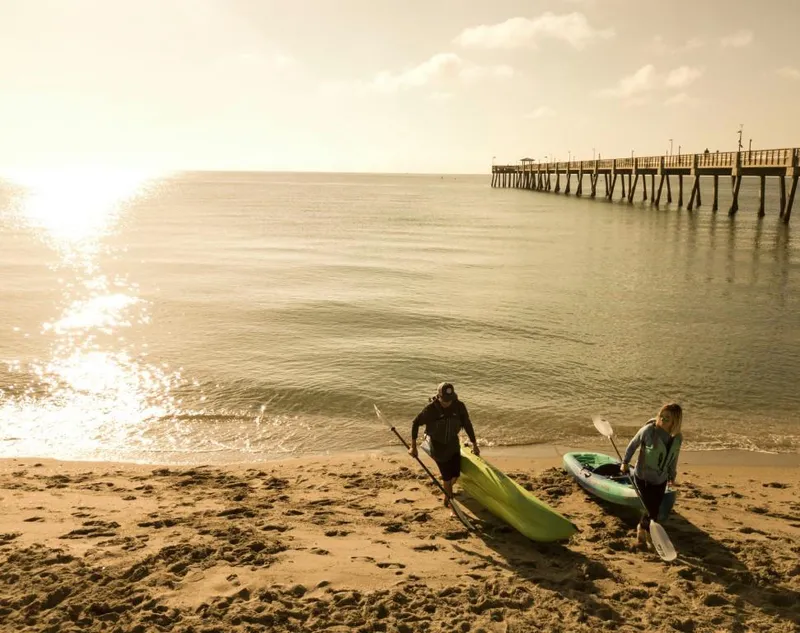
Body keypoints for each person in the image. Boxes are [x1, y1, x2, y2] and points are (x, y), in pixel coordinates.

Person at [620, 403, 683, 547]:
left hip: (660, 479)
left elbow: (674, 458)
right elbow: (632, 445)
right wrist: (625, 462)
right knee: (649, 508)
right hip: (643, 476)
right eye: (662, 415)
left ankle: (644, 530)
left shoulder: (676, 438)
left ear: (675, 421)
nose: (663, 419)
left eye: (668, 418)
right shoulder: (648, 430)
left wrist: (672, 474)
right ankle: (642, 531)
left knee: (654, 509)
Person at [409, 382, 480, 508]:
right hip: (437, 444)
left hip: (453, 443)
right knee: (447, 478)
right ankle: (451, 503)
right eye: (445, 400)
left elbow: (468, 425)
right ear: (439, 396)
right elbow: (415, 423)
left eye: (450, 400)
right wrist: (413, 447)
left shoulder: (459, 406)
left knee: (455, 475)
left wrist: (474, 444)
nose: (448, 403)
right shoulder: (431, 409)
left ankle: (447, 492)